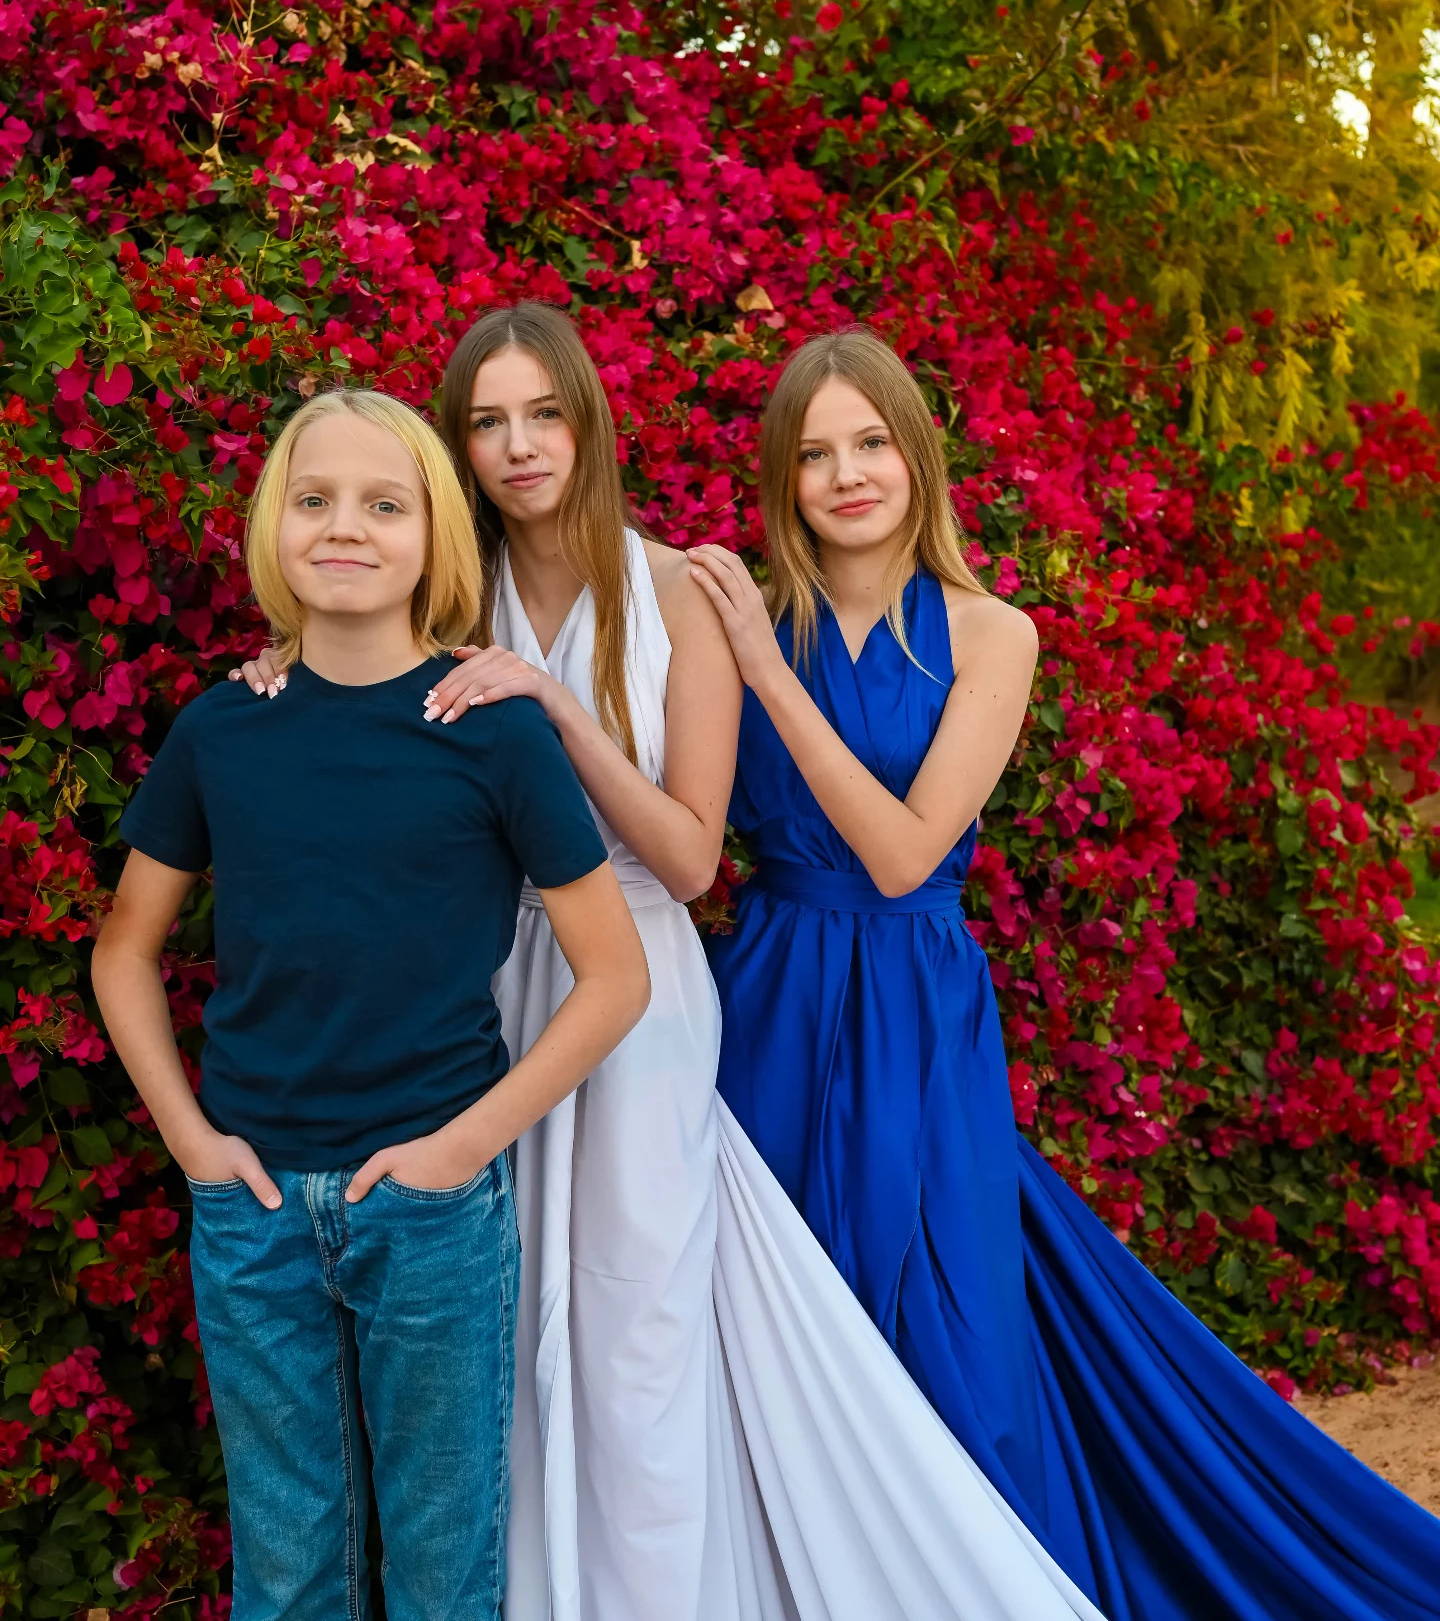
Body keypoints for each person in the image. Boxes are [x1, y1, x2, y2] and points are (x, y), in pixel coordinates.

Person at [232, 314, 1109, 1621]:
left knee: (644, 1324)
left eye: (544, 414)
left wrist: (556, 707)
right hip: (475, 987)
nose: (519, 445)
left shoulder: (679, 598)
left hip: (643, 979)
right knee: (505, 1333)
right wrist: (280, 670)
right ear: (458, 448)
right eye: (486, 421)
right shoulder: (448, 601)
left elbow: (699, 863)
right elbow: (353, 675)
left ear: (589, 421)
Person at [689, 327, 1440, 1621]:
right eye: (814, 455)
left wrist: (764, 666)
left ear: (919, 457)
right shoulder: (747, 619)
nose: (847, 473)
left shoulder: (990, 633)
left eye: (872, 442)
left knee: (953, 1340)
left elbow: (904, 851)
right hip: (765, 1004)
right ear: (782, 480)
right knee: (771, 1339)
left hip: (913, 1005)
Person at [92, 390, 651, 1621]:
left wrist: (459, 1152)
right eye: (315, 501)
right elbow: (126, 950)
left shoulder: (492, 733)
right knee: (288, 1573)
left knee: (447, 1575)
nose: (346, 528)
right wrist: (193, 1143)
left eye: (383, 504)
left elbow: (617, 978)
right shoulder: (223, 729)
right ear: (272, 528)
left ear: (433, 534)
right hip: (254, 1208)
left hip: (435, 1210)